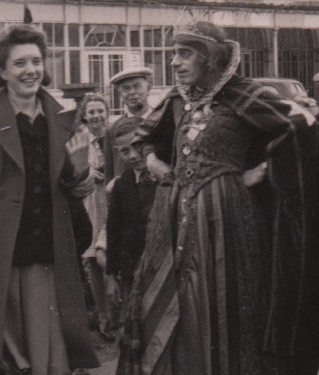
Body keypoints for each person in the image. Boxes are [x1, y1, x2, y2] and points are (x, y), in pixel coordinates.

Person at [117, 21, 317, 375]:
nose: (175, 62)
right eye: (173, 54)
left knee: (221, 300)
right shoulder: (177, 100)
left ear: (208, 59)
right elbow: (144, 136)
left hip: (227, 220)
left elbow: (303, 126)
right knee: (174, 300)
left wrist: (263, 172)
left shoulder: (245, 95)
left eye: (185, 53)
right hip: (174, 218)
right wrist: (154, 161)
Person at [0, 24, 100, 374]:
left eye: (36, 61)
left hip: (54, 259)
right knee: (13, 359)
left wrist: (79, 170)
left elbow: (74, 190)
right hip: (4, 262)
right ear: (2, 72)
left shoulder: (65, 121)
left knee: (54, 358)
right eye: (19, 63)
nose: (30, 70)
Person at [105, 117, 158, 327]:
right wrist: (110, 275)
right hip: (132, 267)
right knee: (134, 323)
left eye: (139, 146)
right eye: (125, 151)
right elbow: (113, 231)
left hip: (161, 265)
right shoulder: (122, 185)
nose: (134, 156)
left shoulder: (164, 178)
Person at [74, 93, 115, 342]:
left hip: (113, 201)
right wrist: (88, 171)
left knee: (115, 254)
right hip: (91, 201)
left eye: (100, 110)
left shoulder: (112, 134)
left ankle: (121, 312)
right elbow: (71, 168)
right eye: (92, 112)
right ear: (84, 116)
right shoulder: (79, 140)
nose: (97, 116)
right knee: (93, 260)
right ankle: (103, 316)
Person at [104, 67, 153, 185]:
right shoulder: (113, 129)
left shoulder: (162, 120)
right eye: (126, 89)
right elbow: (110, 170)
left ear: (148, 89)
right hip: (127, 195)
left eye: (137, 86)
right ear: (120, 95)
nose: (132, 92)